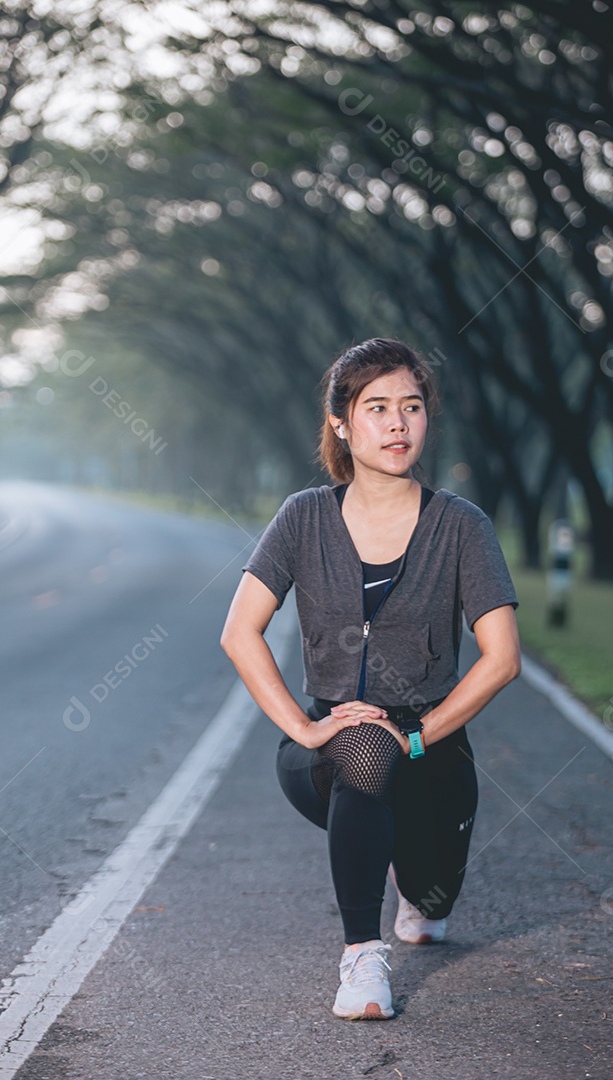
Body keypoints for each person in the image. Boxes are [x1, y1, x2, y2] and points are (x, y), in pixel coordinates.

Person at [220, 338, 521, 1020]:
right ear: (341, 423)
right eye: (376, 408)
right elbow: (239, 633)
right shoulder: (302, 517)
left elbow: (502, 658)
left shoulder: (461, 526)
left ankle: (415, 885)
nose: (396, 424)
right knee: (363, 747)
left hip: (433, 748)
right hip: (329, 747)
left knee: (434, 907)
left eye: (411, 407)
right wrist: (305, 725)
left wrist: (418, 737)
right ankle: (362, 956)